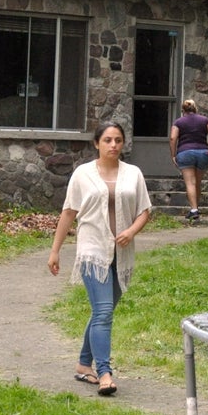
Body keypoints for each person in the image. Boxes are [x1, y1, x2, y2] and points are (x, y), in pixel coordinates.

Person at [48, 121, 152, 396]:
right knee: (104, 313)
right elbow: (69, 212)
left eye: (118, 140)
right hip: (92, 251)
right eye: (107, 140)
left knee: (101, 313)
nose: (113, 145)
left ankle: (84, 365)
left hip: (123, 253)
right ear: (97, 143)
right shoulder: (83, 174)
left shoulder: (134, 174)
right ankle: (105, 372)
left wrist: (130, 231)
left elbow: (145, 211)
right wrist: (55, 250)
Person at [169, 98, 208, 223]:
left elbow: (173, 138)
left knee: (190, 183)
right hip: (203, 153)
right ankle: (195, 208)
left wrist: (173, 154)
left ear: (183, 110)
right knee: (197, 183)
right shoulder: (204, 120)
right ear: (195, 109)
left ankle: (194, 210)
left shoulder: (178, 122)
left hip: (185, 153)